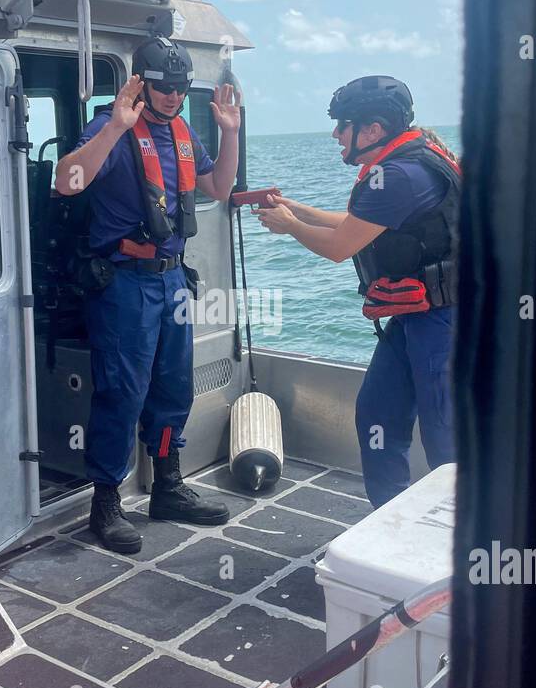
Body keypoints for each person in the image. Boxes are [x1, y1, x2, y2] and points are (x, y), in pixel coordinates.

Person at [53, 37, 241, 553]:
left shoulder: (181, 132)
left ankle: (168, 486)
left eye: (180, 89)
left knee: (172, 388)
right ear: (140, 83)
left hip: (172, 279)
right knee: (123, 392)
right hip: (125, 283)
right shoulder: (112, 127)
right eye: (163, 88)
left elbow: (219, 190)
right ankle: (106, 503)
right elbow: (66, 181)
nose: (173, 97)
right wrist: (114, 124)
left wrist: (230, 134)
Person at [256, 76, 460, 507]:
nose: (334, 134)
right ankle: (388, 523)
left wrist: (290, 227)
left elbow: (339, 246)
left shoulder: (401, 175)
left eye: (342, 125)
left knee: (446, 437)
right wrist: (294, 208)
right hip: (415, 317)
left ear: (373, 130)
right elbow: (354, 225)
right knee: (378, 413)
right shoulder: (403, 163)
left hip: (444, 321)